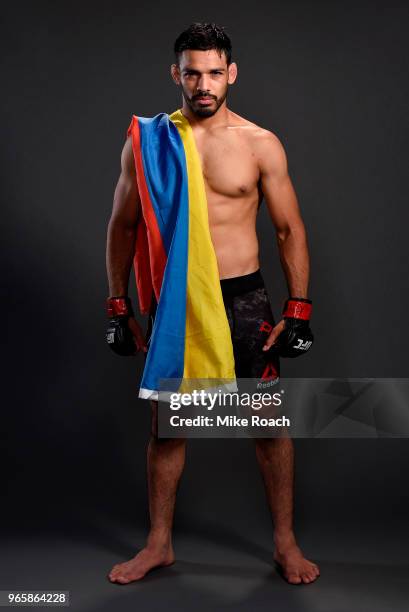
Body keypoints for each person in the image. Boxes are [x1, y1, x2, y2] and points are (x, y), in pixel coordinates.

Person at [105, 22, 319, 586]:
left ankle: (285, 544)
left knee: (267, 423)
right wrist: (117, 306)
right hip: (177, 301)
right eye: (192, 72)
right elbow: (122, 227)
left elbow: (288, 228)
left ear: (232, 74)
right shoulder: (148, 141)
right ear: (176, 74)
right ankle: (158, 545)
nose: (203, 83)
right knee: (170, 425)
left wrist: (299, 308)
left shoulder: (259, 143)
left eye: (214, 72)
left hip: (243, 296)